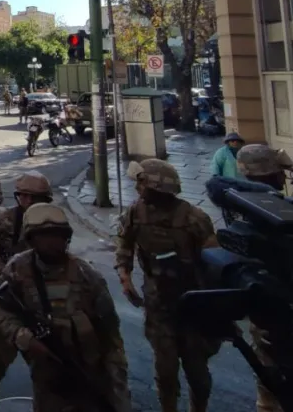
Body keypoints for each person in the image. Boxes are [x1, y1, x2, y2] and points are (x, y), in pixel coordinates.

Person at [0, 203, 131, 412]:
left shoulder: (87, 276)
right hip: (47, 375)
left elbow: (111, 338)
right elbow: (1, 309)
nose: (52, 242)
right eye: (44, 235)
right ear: (31, 239)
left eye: (57, 235)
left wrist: (119, 392)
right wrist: (22, 336)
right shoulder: (18, 269)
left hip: (88, 370)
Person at [115, 159, 220, 412]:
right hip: (159, 304)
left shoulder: (194, 218)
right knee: (165, 369)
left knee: (197, 372)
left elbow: (215, 262)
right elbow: (124, 242)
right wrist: (125, 275)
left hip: (193, 306)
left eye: (141, 183)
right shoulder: (135, 212)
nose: (137, 188)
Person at [0, 171, 54, 412]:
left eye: (35, 198)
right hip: (5, 299)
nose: (28, 202)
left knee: (46, 362)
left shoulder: (52, 224)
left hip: (39, 302)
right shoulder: (2, 219)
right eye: (23, 196)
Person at [235, 144, 293, 412]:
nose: (284, 176)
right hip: (276, 303)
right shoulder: (269, 209)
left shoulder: (243, 202)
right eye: (280, 171)